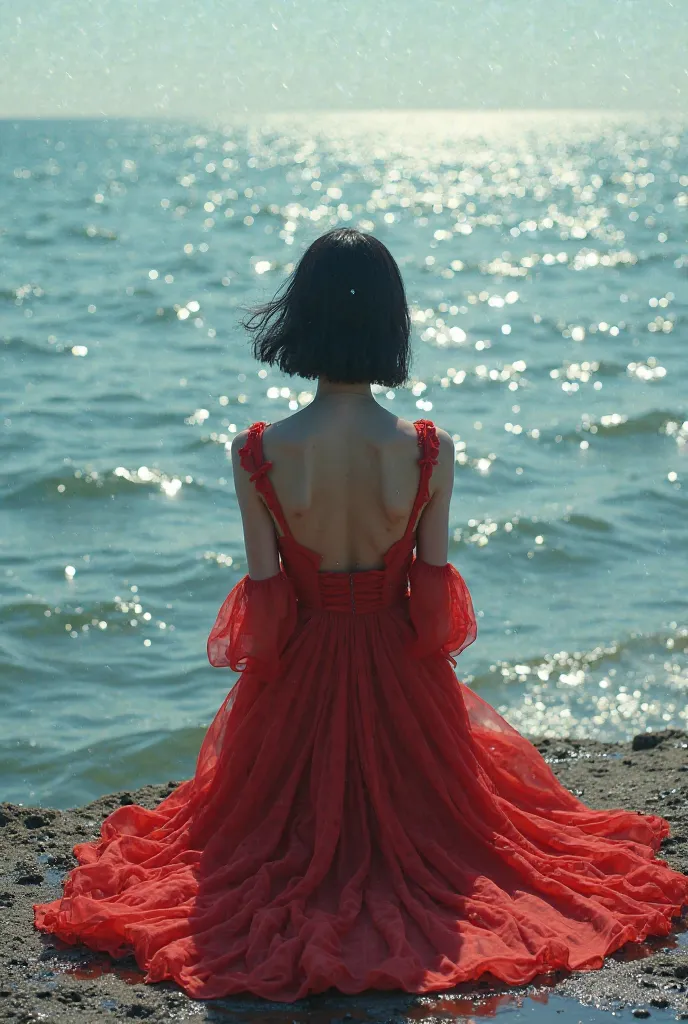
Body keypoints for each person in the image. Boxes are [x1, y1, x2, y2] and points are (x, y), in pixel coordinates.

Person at [33, 228, 688, 1003]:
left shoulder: (259, 453)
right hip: (399, 671)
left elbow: (267, 610)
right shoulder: (428, 450)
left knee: (250, 840)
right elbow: (433, 606)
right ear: (391, 326)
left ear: (301, 320)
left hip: (303, 671)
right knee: (475, 839)